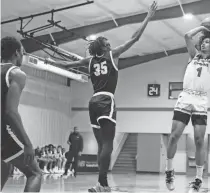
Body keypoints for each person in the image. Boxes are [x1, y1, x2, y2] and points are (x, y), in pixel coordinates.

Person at [46, 2, 157, 191]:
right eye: (107, 43)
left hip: (93, 102)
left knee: (101, 145)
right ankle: (101, 183)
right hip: (106, 100)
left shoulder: (89, 61)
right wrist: (148, 17)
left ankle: (102, 184)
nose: (110, 44)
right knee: (108, 145)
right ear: (104, 48)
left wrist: (51, 61)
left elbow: (68, 65)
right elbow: (135, 38)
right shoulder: (113, 55)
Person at [165, 18, 210, 192]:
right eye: (203, 42)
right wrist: (203, 27)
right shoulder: (193, 55)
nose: (204, 44)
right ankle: (169, 170)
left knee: (199, 141)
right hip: (185, 96)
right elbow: (187, 35)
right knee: (174, 136)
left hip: (201, 100)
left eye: (207, 42)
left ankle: (198, 179)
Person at [1, 36, 42, 192]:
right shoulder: (16, 73)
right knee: (35, 173)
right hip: (3, 132)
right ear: (17, 53)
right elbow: (10, 113)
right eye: (23, 53)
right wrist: (27, 144)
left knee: (5, 165)